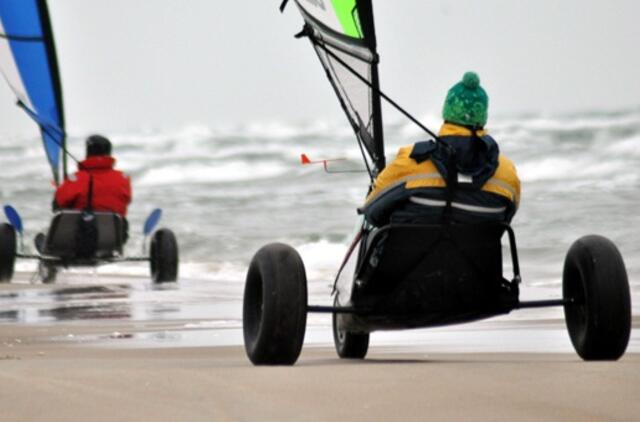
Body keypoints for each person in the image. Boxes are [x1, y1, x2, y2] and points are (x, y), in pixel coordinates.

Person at [361, 71, 520, 226]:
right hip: (479, 253)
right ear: (483, 116)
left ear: (447, 112)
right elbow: (506, 218)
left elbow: (372, 214)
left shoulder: (410, 161)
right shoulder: (507, 172)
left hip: (412, 252)